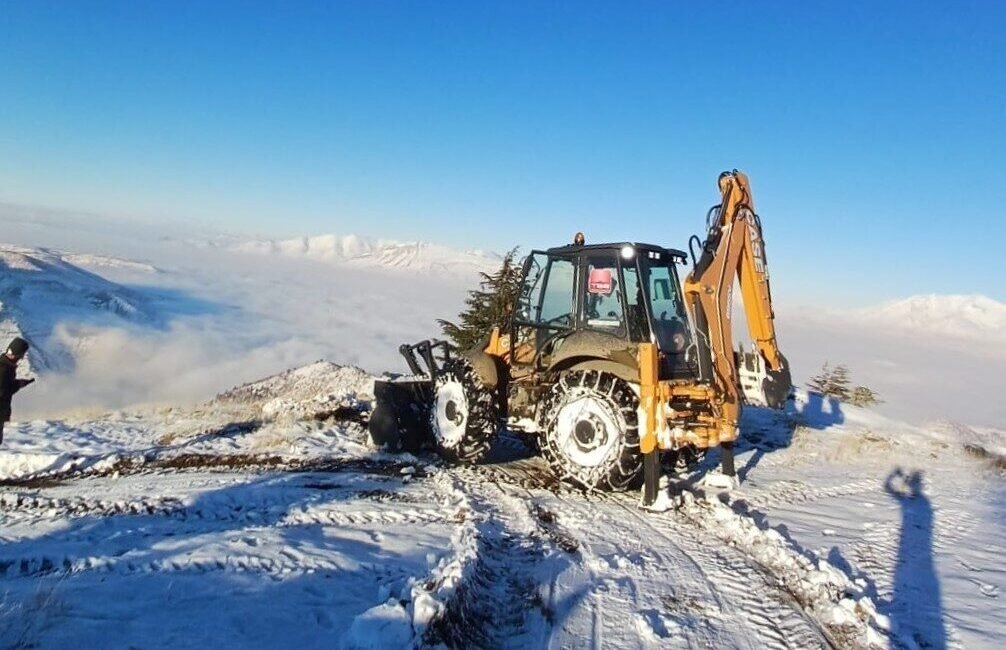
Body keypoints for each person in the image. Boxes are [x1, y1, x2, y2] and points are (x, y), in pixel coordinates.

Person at [0, 338, 35, 445]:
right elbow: (3, 392)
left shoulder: (5, 364)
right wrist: (18, 384)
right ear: (18, 354)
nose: (22, 357)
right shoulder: (4, 369)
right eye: (22, 354)